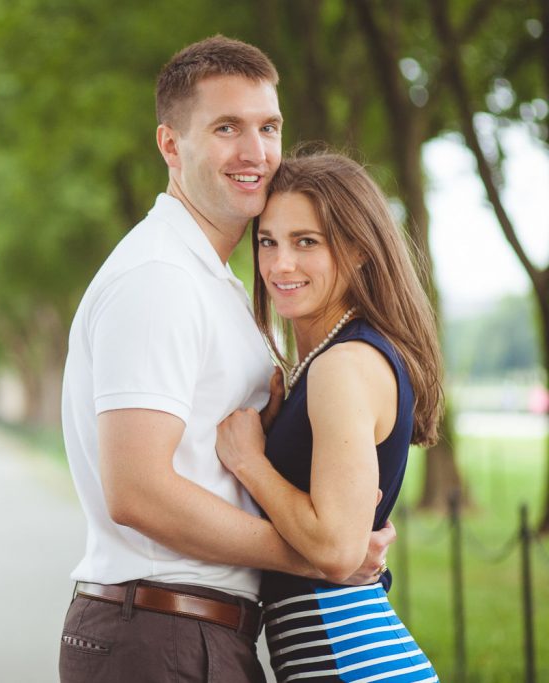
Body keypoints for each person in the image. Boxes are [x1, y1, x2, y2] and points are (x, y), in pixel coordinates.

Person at [58, 36, 394, 683]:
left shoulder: (214, 279)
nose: (256, 152)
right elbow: (137, 490)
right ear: (170, 145)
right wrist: (319, 554)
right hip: (160, 635)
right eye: (226, 128)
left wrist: (339, 527)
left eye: (268, 126)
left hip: (195, 634)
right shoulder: (158, 276)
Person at [215, 151, 443, 682]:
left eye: (306, 242)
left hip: (351, 663)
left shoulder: (342, 365)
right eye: (268, 241)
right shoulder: (333, 360)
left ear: (360, 250)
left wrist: (251, 462)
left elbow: (340, 551)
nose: (279, 264)